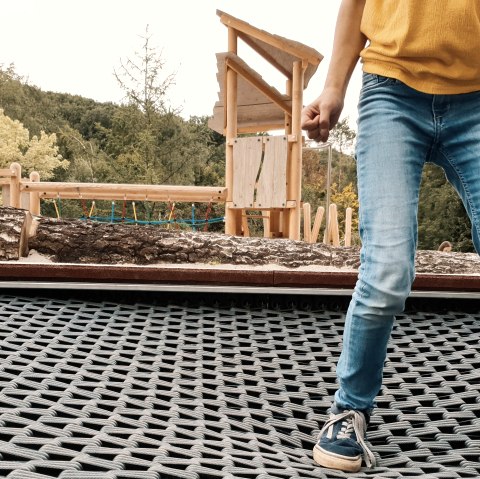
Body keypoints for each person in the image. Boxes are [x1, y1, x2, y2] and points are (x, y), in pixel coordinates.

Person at [301, 0, 480, 473]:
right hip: (392, 92)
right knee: (386, 273)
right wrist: (334, 88)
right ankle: (350, 409)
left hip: (477, 98)